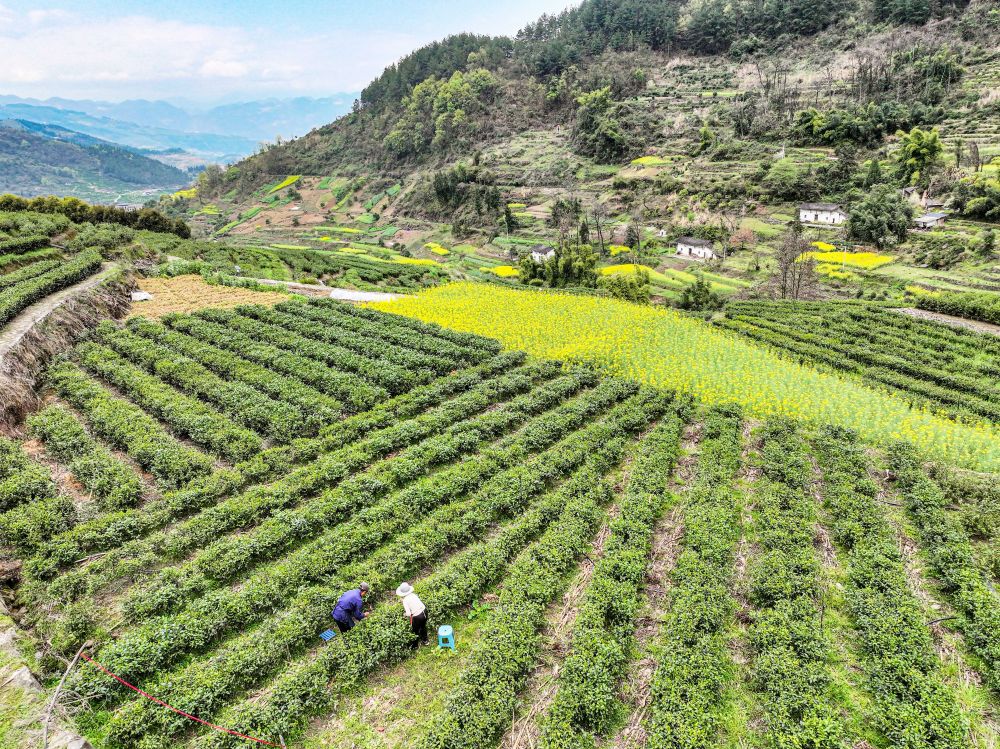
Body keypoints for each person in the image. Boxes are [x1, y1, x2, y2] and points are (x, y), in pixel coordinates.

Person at [396, 582, 428, 646]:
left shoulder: (405, 601)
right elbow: (413, 602)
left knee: (415, 631)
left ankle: (415, 645)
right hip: (425, 611)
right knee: (423, 627)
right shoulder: (413, 595)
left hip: (418, 617)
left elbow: (409, 613)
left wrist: (404, 614)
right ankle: (425, 641)